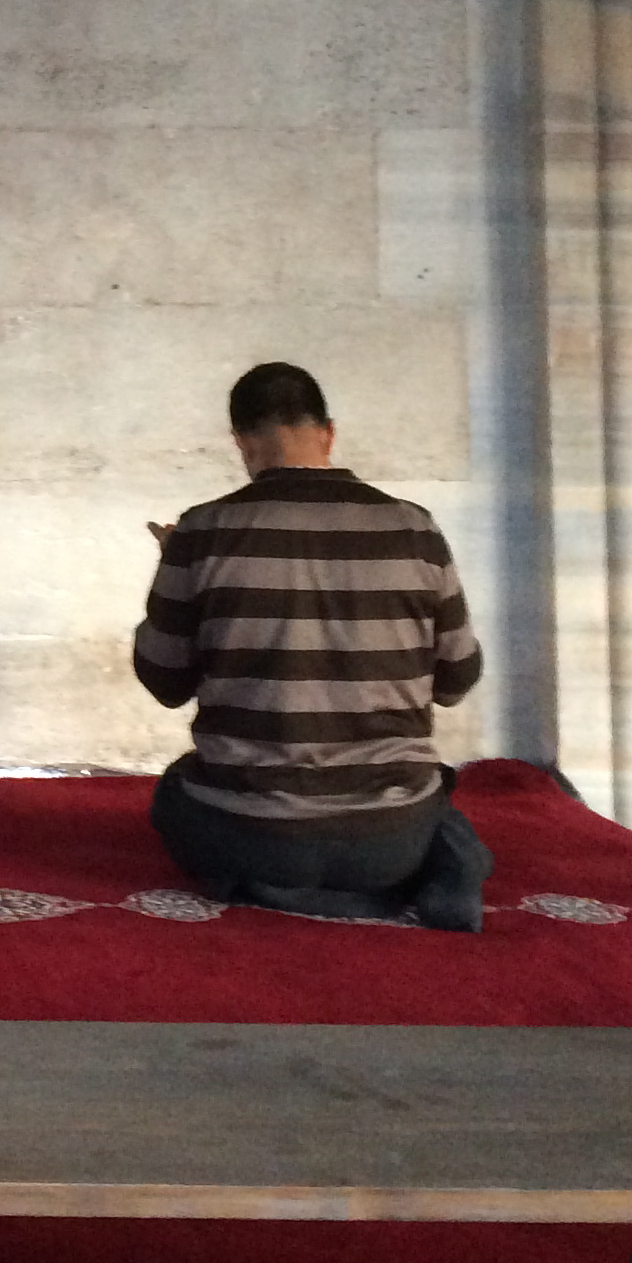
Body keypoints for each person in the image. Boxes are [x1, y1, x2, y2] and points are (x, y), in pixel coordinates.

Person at [133, 361, 493, 930]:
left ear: (242, 443)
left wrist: (178, 569)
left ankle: (277, 891)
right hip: (390, 838)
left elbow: (164, 681)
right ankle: (431, 869)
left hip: (249, 834)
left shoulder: (201, 531)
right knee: (433, 791)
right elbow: (457, 680)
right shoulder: (415, 529)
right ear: (328, 433)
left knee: (174, 795)